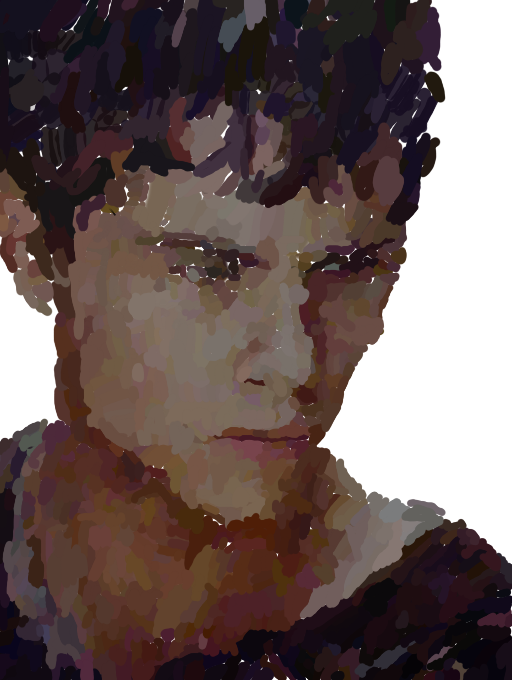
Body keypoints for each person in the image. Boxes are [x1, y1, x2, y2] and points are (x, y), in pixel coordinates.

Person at [1, 1, 510, 679]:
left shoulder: (458, 639)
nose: (294, 361)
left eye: (347, 270)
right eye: (211, 268)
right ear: (34, 249)